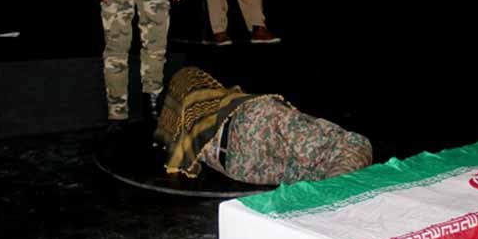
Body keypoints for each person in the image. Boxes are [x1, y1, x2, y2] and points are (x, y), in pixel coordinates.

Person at [154, 67, 373, 185]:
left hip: (247, 136)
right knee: (323, 167)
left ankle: (338, 197)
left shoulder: (179, 120)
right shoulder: (181, 122)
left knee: (336, 154)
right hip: (244, 154)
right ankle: (338, 198)